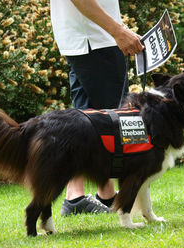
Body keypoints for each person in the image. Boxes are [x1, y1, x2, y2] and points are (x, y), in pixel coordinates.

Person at [50, 0, 144, 216]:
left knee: (86, 121)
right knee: (109, 122)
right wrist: (118, 31)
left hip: (85, 39)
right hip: (95, 41)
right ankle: (80, 196)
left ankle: (89, 194)